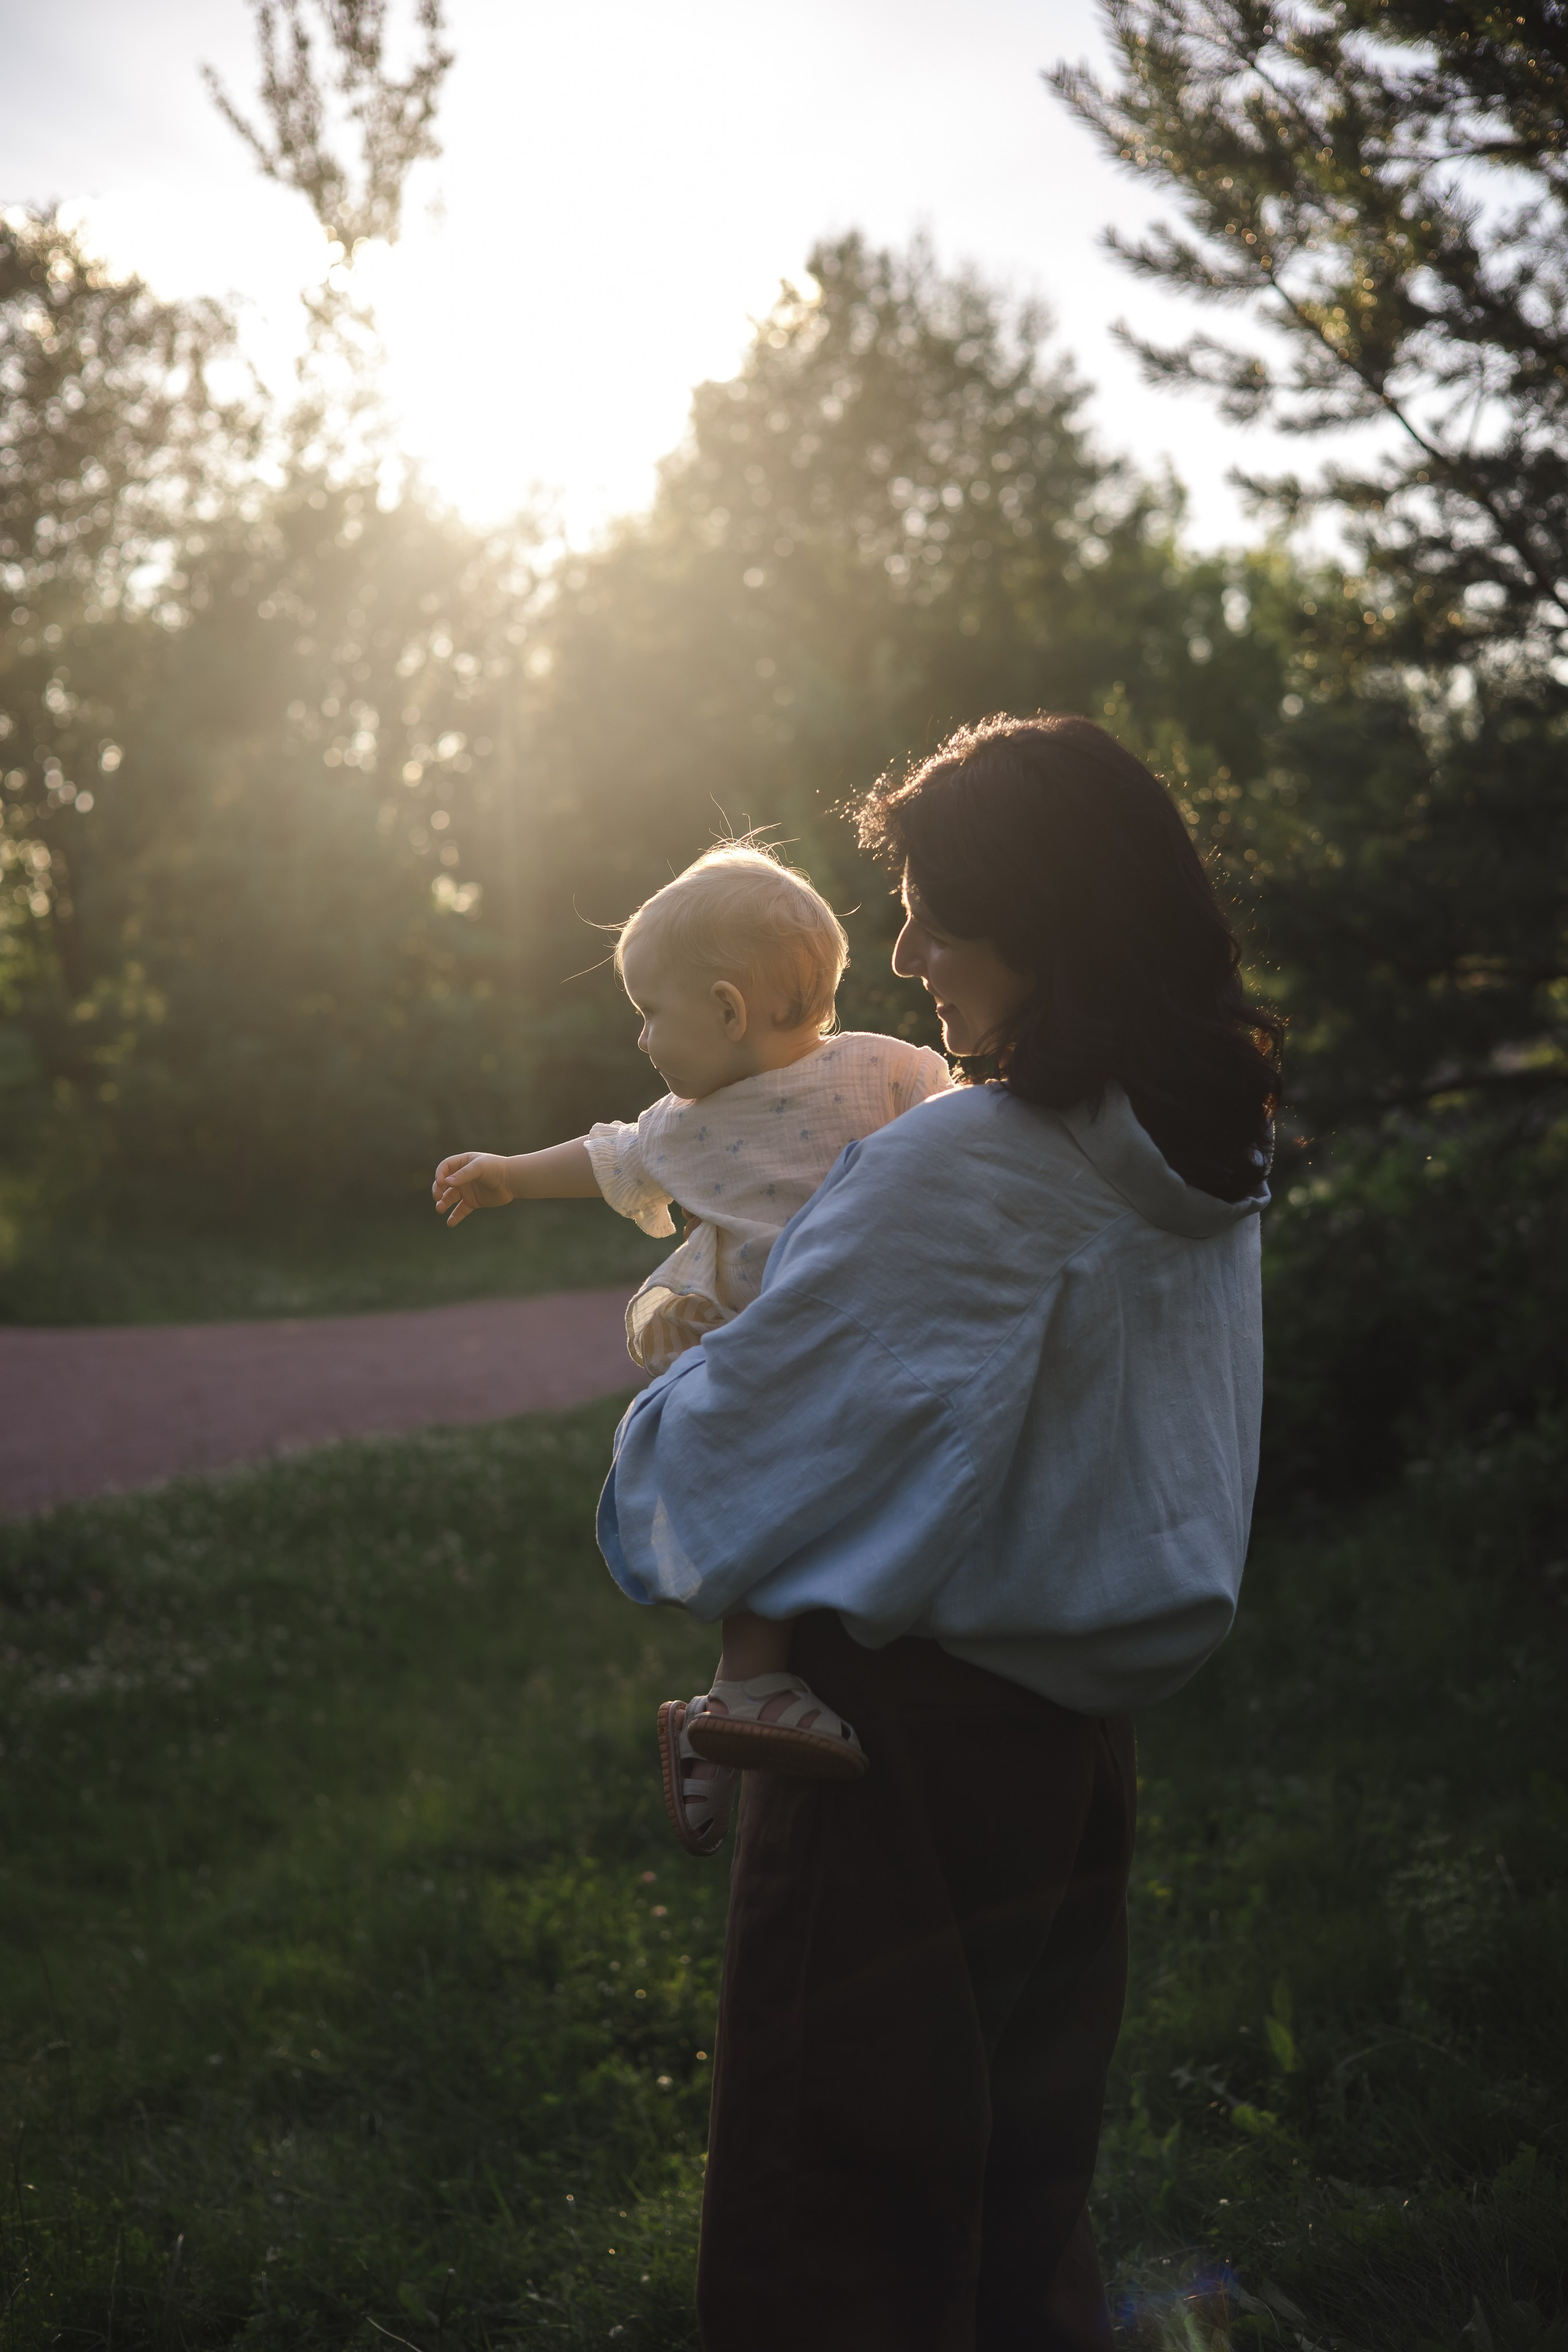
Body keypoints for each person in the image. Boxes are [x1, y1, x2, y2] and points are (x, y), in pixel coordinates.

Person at [596, 715, 1283, 2350]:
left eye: (936, 912)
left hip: (884, 1749)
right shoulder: (1200, 1150)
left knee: (833, 2234)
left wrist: (664, 1368)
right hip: (1072, 1761)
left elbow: (712, 1475)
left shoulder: (965, 1163)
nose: (900, 953)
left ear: (1046, 919)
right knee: (1016, 2221)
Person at [431, 840, 952, 1846]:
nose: (639, 1041)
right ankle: (742, 1695)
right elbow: (607, 1155)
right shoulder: (690, 1123)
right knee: (767, 1497)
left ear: (725, 1008)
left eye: (649, 1011)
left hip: (857, 1343)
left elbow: (967, 1133)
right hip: (768, 1359)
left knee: (855, 1491)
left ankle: (735, 1714)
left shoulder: (884, 1071)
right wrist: (506, 1171)